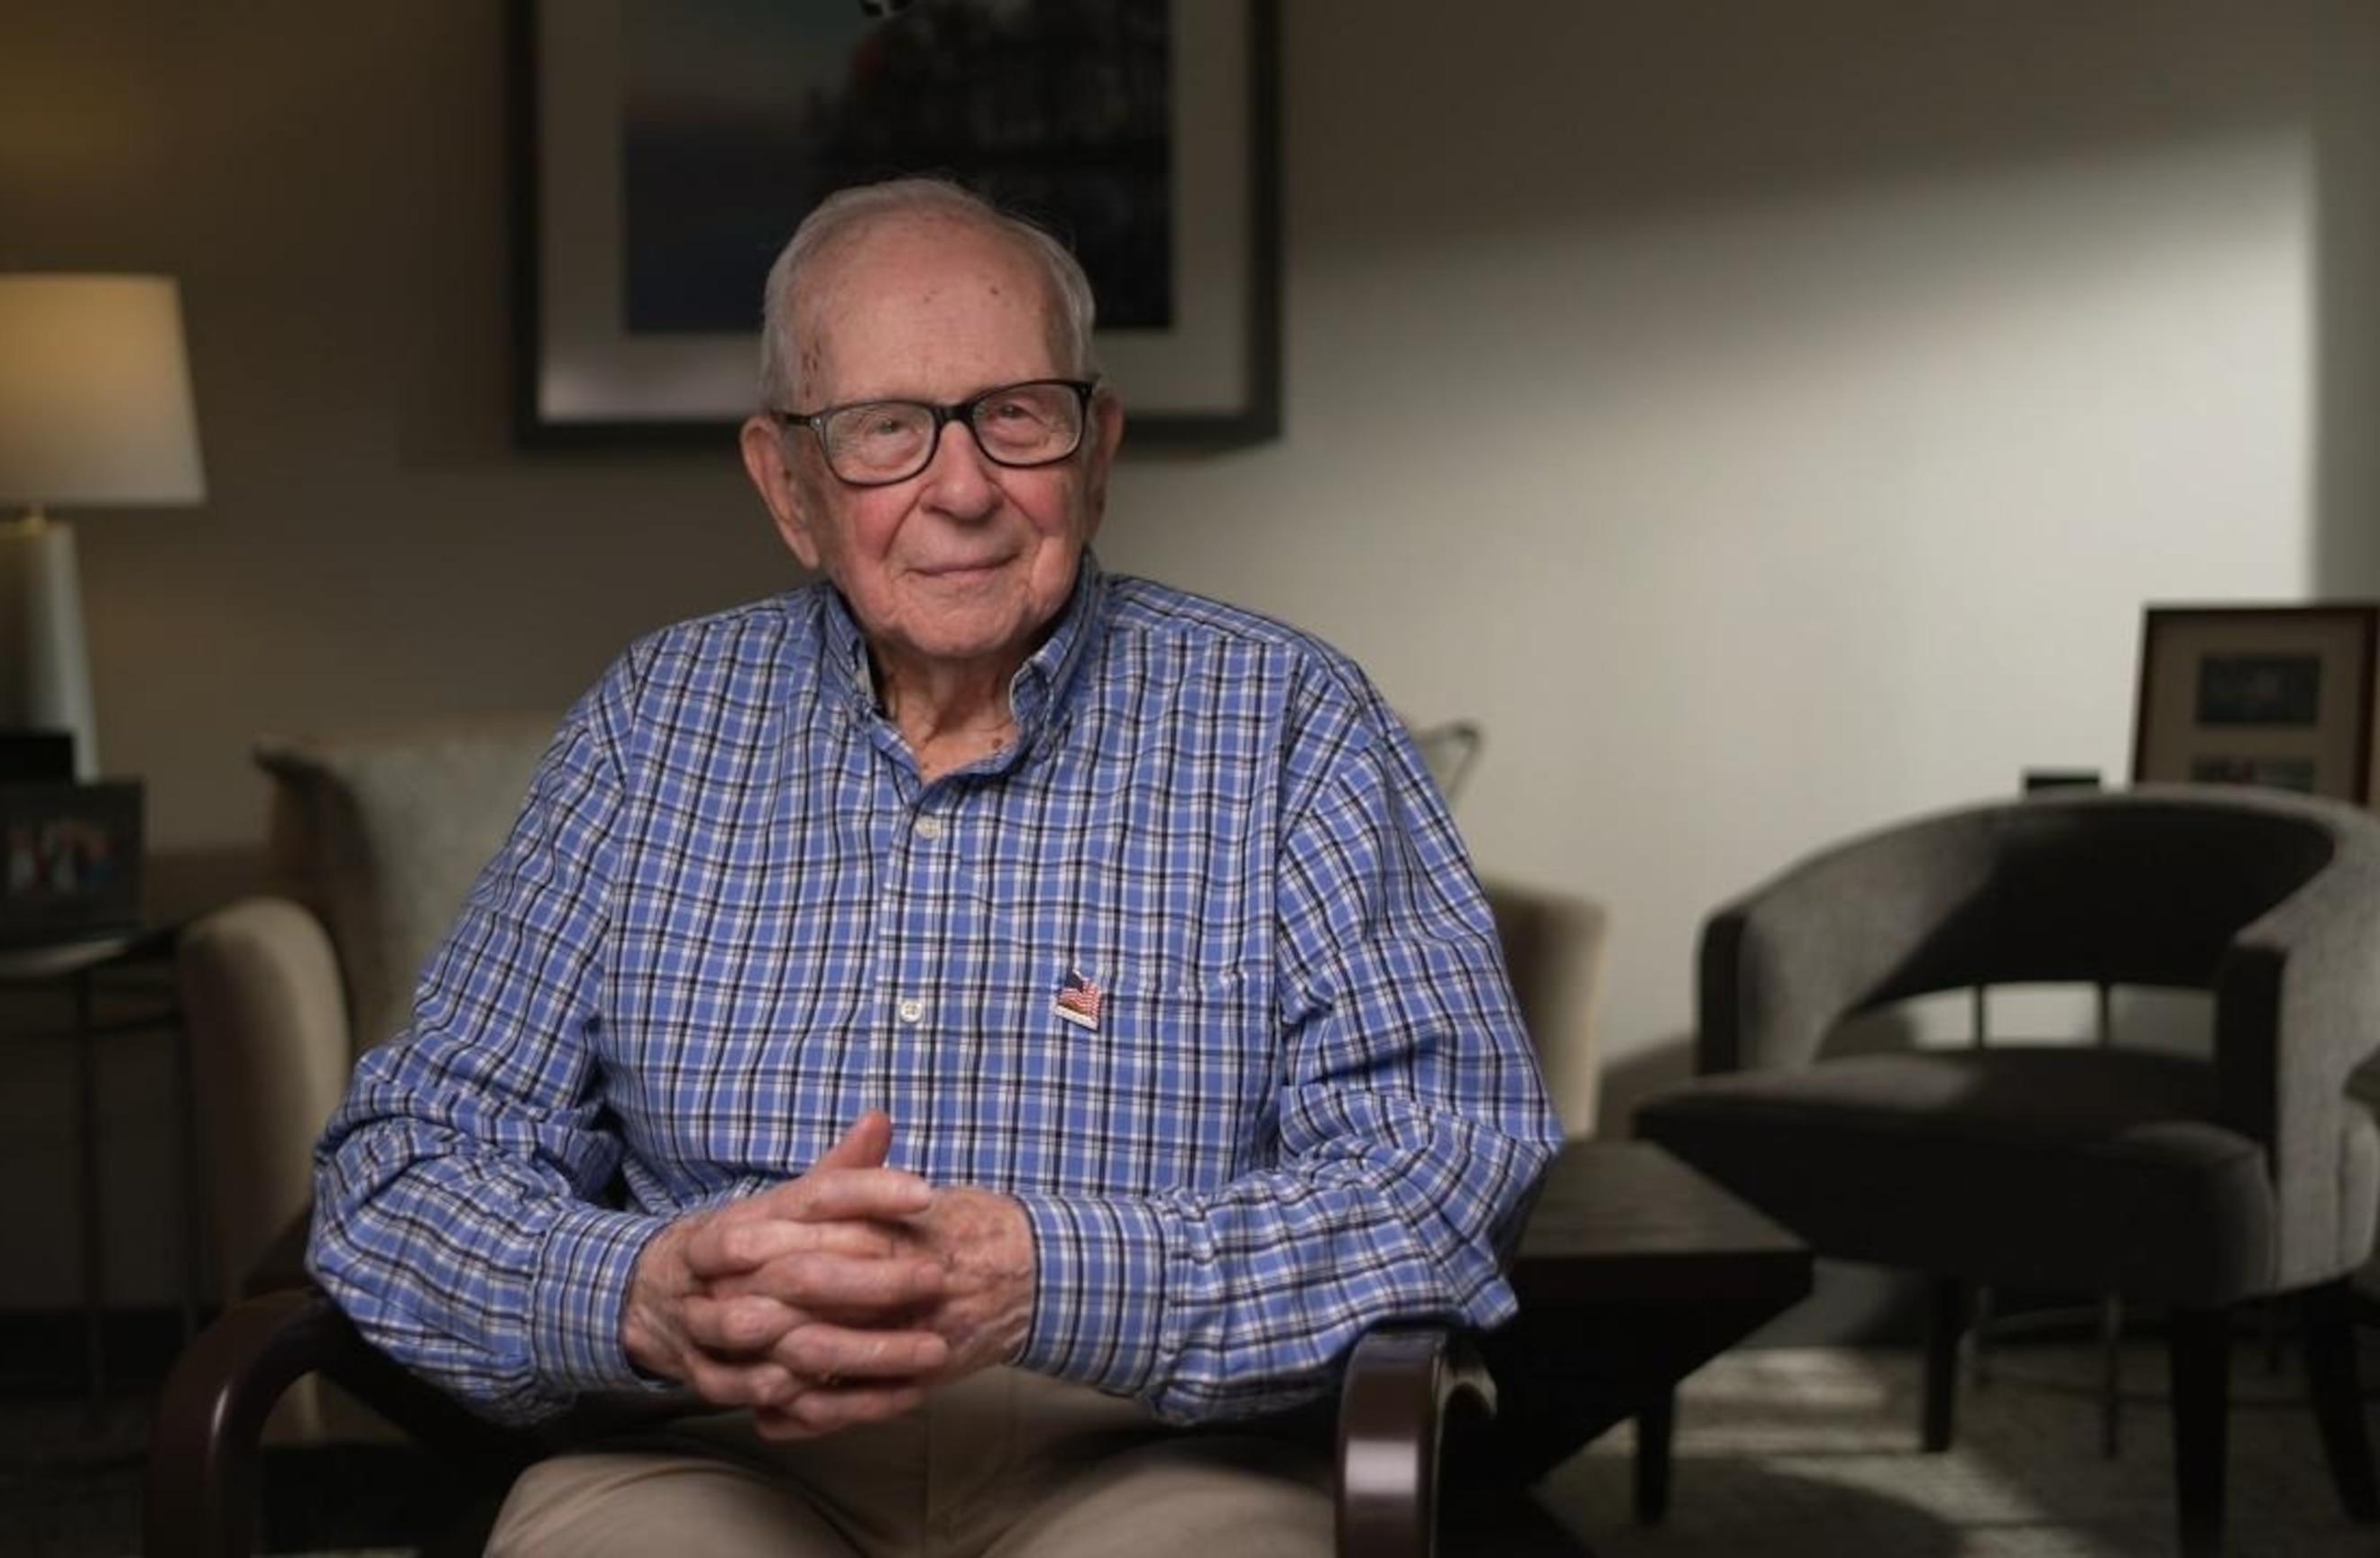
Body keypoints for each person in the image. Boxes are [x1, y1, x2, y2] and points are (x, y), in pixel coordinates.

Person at [310, 176, 1559, 1558]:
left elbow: (1441, 1173)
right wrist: (643, 1291)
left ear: (1096, 450)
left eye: (1014, 415)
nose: (960, 489)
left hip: (1158, 1450)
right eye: (885, 430)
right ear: (788, 486)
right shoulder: (648, 724)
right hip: (714, 1455)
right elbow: (407, 1167)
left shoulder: (1292, 726)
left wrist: (1045, 1280)